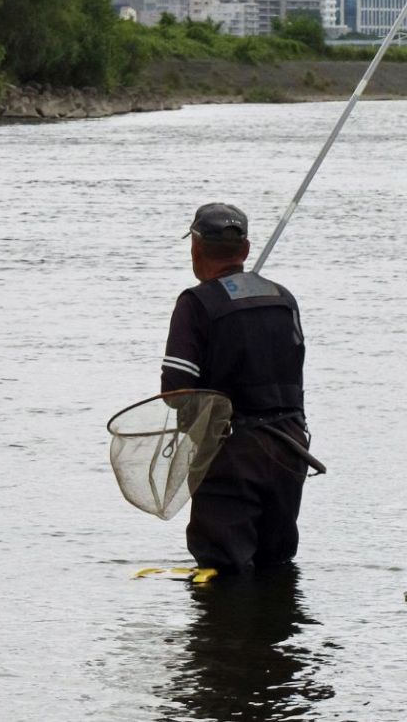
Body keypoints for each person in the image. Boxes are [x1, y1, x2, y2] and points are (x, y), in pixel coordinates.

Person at [161, 202, 310, 574]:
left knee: (223, 572)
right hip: (290, 451)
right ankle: (277, 633)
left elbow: (176, 395)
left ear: (195, 249)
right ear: (244, 250)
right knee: (275, 568)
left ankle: (226, 632)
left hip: (230, 456)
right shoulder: (283, 299)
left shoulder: (195, 305)